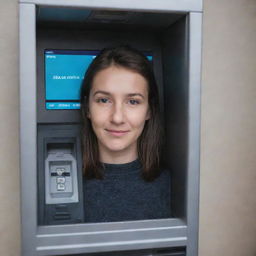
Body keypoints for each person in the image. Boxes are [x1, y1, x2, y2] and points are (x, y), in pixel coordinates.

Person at [80, 45, 171, 222]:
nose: (117, 118)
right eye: (104, 100)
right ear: (87, 108)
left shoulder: (175, 186)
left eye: (133, 101)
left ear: (149, 111)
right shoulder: (57, 187)